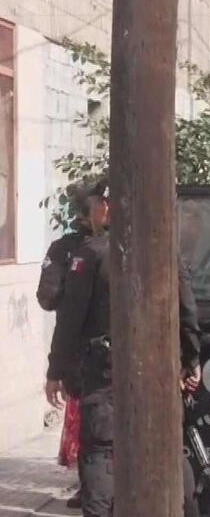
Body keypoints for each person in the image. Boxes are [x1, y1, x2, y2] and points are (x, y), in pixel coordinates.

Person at [47, 179, 202, 517]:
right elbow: (187, 310)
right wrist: (191, 360)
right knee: (167, 446)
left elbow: (70, 320)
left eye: (96, 204)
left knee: (101, 451)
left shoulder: (92, 253)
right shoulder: (164, 249)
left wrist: (56, 369)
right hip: (159, 369)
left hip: (107, 373)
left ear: (107, 206)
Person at [39, 184, 92, 509]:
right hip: (110, 355)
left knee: (91, 427)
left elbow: (47, 298)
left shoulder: (66, 249)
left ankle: (92, 489)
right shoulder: (124, 244)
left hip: (79, 353)